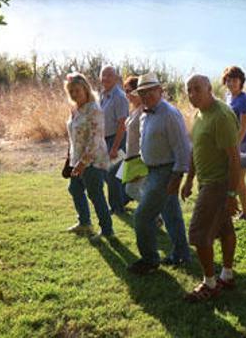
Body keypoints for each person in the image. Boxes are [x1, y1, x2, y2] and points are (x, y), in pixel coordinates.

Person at [181, 75, 240, 302]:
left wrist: (232, 194)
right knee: (224, 229)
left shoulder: (221, 116)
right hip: (205, 182)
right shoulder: (199, 114)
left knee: (197, 234)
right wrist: (189, 180)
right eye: (189, 90)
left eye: (197, 89)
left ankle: (210, 284)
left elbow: (234, 159)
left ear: (209, 89)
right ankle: (226, 275)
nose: (192, 94)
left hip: (218, 184)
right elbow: (197, 150)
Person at [127, 73, 192, 275]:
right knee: (171, 215)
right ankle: (181, 254)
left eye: (150, 91)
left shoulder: (170, 114)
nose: (146, 96)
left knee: (142, 217)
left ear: (160, 91)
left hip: (166, 172)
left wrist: (177, 178)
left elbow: (182, 149)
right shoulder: (146, 113)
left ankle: (149, 260)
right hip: (152, 170)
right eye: (142, 92)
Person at [63, 72, 114, 243]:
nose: (73, 94)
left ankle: (107, 230)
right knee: (75, 189)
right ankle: (84, 222)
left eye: (76, 90)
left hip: (92, 161)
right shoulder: (76, 109)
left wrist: (83, 162)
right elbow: (74, 136)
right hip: (77, 160)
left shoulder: (94, 109)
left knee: (96, 195)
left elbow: (96, 138)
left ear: (85, 89)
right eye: (70, 91)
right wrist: (71, 160)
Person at [221, 66, 246, 220]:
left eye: (234, 80)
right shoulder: (228, 96)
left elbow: (244, 126)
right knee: (234, 178)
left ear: (241, 81)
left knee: (239, 180)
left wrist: (235, 145)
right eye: (228, 80)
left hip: (244, 144)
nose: (231, 83)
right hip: (232, 143)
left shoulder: (244, 99)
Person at [99, 65, 130, 213]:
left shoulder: (120, 97)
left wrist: (115, 147)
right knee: (107, 173)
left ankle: (117, 208)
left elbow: (122, 124)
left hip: (118, 139)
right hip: (104, 140)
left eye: (109, 75)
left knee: (112, 175)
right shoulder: (103, 94)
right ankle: (124, 196)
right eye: (103, 75)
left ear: (116, 78)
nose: (105, 78)